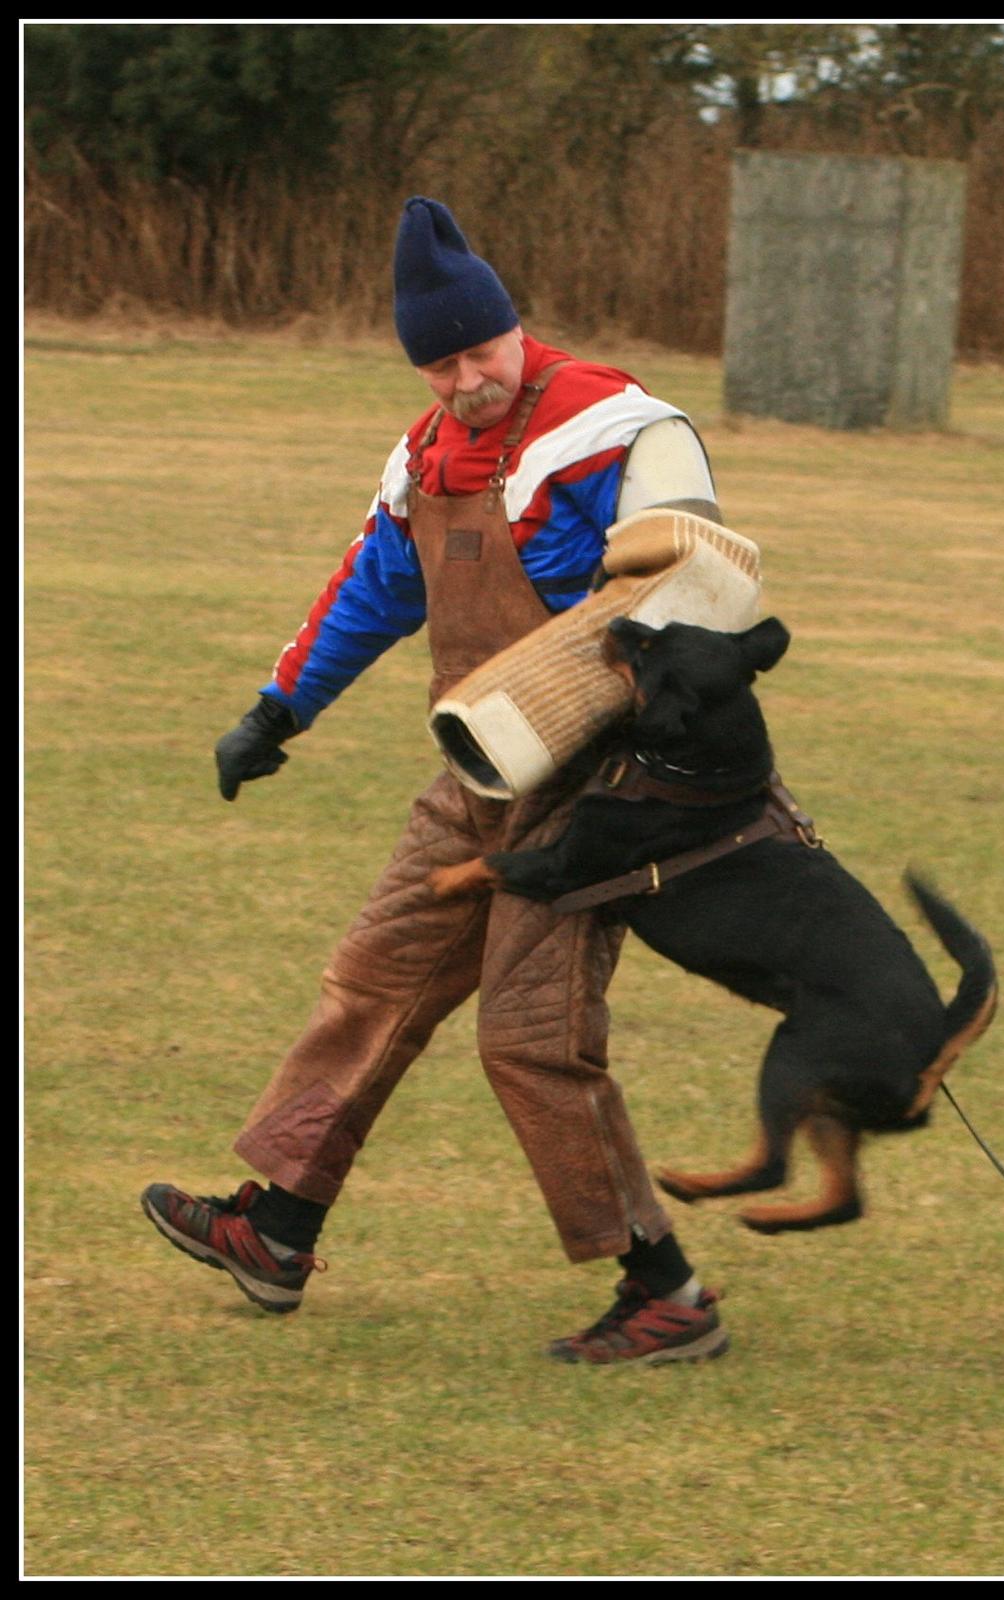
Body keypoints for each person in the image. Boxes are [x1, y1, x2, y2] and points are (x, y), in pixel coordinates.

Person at [141, 196, 731, 1366]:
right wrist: (277, 707)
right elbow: (373, 586)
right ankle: (282, 1227)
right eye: (441, 361)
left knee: (529, 1037)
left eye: (481, 351)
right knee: (374, 978)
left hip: (597, 791)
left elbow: (698, 589)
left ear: (514, 328)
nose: (467, 378)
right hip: (474, 772)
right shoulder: (424, 456)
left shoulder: (615, 427)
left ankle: (666, 1290)